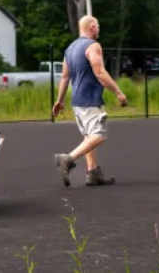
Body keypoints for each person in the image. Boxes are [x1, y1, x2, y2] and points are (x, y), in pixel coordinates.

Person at [52, 15, 128, 187]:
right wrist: (118, 92)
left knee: (88, 137)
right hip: (90, 100)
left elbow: (64, 77)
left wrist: (59, 101)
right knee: (99, 135)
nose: (99, 29)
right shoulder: (93, 46)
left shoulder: (70, 49)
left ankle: (92, 173)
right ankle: (67, 159)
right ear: (92, 27)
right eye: (98, 26)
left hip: (77, 102)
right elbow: (100, 73)